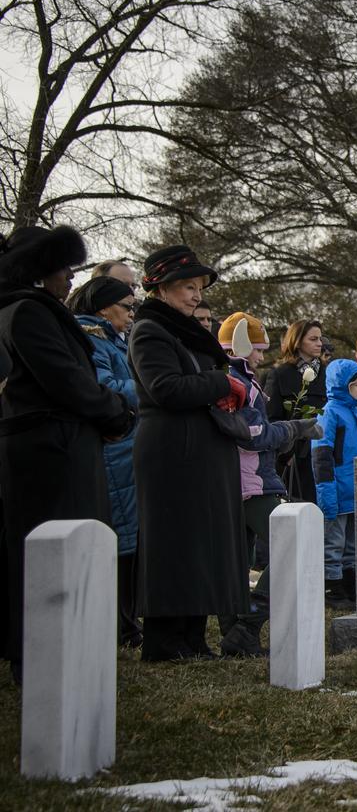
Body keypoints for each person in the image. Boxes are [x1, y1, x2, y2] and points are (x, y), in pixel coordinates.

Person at [0, 227, 133, 682]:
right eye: (63, 270)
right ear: (40, 270)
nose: (69, 280)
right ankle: (45, 651)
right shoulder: (29, 314)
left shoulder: (23, 310)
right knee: (59, 548)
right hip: (53, 446)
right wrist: (114, 411)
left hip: (47, 441)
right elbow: (67, 380)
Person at [129, 244, 248, 661]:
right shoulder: (149, 331)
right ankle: (165, 639)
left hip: (202, 445)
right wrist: (221, 383)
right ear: (160, 289)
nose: (196, 295)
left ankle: (193, 634)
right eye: (186, 287)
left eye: (199, 287)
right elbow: (165, 388)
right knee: (174, 542)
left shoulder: (186, 332)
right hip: (171, 448)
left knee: (202, 542)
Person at [218, 312, 321, 656]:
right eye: (257, 350)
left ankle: (235, 632)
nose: (262, 357)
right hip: (252, 481)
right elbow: (251, 435)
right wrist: (292, 430)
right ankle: (249, 623)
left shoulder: (242, 379)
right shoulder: (236, 382)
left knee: (238, 558)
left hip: (246, 478)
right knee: (293, 544)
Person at [68, 275, 144, 646]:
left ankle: (127, 622)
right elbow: (106, 388)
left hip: (130, 440)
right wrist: (145, 385)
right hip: (115, 444)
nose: (132, 315)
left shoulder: (114, 339)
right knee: (121, 539)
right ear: (102, 308)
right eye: (127, 307)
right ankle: (120, 625)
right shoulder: (91, 338)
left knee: (131, 537)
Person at [312, 359, 357, 608]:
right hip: (337, 488)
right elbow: (322, 455)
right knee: (333, 543)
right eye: (355, 385)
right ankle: (333, 588)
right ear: (341, 385)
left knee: (352, 543)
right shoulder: (329, 413)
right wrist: (326, 493)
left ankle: (350, 585)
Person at [264, 320, 327, 501]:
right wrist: (286, 450)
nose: (319, 344)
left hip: (324, 452)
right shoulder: (280, 374)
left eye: (320, 339)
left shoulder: (327, 372)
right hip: (294, 459)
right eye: (313, 339)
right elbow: (272, 417)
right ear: (297, 341)